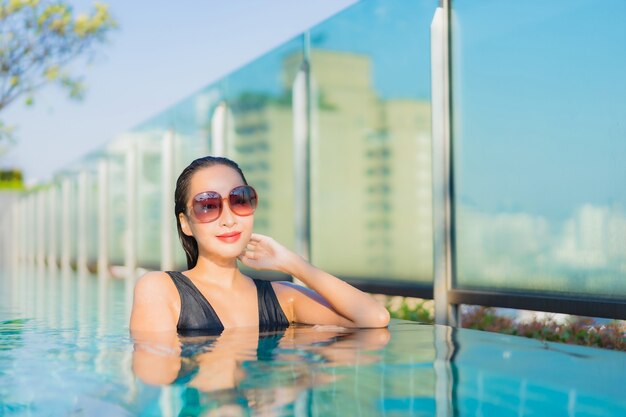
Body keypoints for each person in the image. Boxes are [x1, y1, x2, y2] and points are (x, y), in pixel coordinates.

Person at [129, 156, 390, 334]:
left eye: (239, 199)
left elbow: (374, 318)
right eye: (208, 206)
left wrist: (292, 263)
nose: (229, 219)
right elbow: (156, 377)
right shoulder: (161, 290)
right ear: (185, 223)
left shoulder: (281, 298)